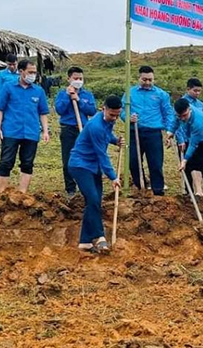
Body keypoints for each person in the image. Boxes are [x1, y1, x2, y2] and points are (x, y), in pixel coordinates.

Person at [68, 96, 123, 253]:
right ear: (103, 108)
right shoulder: (95, 126)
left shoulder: (107, 122)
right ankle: (100, 237)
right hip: (80, 165)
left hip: (93, 167)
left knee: (94, 202)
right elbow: (102, 155)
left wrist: (115, 141)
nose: (114, 118)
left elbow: (107, 136)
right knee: (92, 199)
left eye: (117, 115)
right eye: (112, 115)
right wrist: (113, 177)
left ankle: (85, 241)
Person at [121, 65, 174, 196]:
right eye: (145, 80)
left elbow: (168, 113)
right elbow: (122, 110)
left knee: (155, 163)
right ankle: (140, 186)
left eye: (150, 80)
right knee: (133, 161)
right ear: (139, 78)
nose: (148, 83)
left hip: (153, 133)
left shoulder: (161, 94)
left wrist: (169, 131)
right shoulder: (130, 93)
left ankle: (158, 190)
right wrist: (127, 117)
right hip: (134, 132)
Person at [0, 60, 50, 193]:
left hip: (31, 132)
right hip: (11, 130)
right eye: (30, 72)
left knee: (27, 163)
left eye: (34, 72)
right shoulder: (8, 87)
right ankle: (2, 193)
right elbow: (1, 108)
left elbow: (43, 112)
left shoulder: (39, 91)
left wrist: (45, 131)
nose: (33, 75)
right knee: (6, 162)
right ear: (21, 71)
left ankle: (22, 194)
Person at [166, 98, 203, 208]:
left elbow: (193, 144)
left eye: (185, 115)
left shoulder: (198, 121)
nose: (182, 118)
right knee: (194, 164)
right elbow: (175, 122)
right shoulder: (179, 114)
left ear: (189, 109)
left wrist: (184, 160)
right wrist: (170, 133)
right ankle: (198, 192)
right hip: (191, 138)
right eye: (180, 116)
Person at [54, 67, 97, 198]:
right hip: (68, 129)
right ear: (69, 79)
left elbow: (92, 111)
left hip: (83, 129)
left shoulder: (87, 95)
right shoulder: (62, 94)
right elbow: (60, 110)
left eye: (80, 79)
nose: (78, 81)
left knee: (85, 157)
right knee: (68, 159)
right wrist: (69, 97)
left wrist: (78, 100)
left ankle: (86, 185)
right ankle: (70, 189)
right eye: (75, 78)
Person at [175, 78, 203, 196]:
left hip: (199, 139)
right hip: (185, 139)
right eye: (195, 91)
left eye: (199, 91)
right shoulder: (181, 103)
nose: (197, 93)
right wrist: (181, 139)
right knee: (187, 165)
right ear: (188, 89)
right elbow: (177, 123)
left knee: (202, 165)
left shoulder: (200, 105)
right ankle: (188, 192)